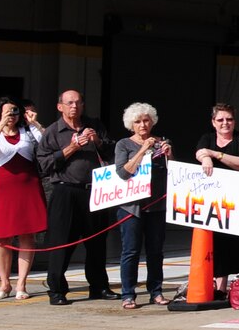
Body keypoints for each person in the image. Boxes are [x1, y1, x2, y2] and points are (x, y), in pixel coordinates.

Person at [34, 89, 112, 304]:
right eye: (69, 103)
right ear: (60, 107)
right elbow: (44, 164)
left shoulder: (94, 125)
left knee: (97, 241)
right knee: (62, 243)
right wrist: (71, 147)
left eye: (78, 103)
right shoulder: (52, 132)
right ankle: (57, 291)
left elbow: (111, 153)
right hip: (65, 191)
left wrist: (97, 141)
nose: (74, 107)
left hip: (94, 191)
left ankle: (99, 286)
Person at [0, 99, 44, 300]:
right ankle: (4, 283)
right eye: (7, 112)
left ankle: (21, 284)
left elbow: (48, 142)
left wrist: (34, 123)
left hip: (28, 186)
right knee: (2, 237)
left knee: (27, 236)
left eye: (15, 112)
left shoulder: (28, 133)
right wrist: (1, 124)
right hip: (3, 188)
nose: (12, 116)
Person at [112, 103, 174, 307]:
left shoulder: (161, 141)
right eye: (138, 121)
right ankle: (128, 293)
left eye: (146, 120)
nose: (142, 125)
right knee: (130, 251)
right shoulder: (123, 144)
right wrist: (143, 150)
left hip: (156, 205)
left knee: (156, 251)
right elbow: (123, 172)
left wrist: (169, 155)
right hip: (131, 207)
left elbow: (173, 171)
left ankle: (156, 291)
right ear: (131, 124)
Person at [195, 104, 239, 289]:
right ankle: (220, 288)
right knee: (218, 243)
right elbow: (199, 152)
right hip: (215, 203)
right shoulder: (207, 137)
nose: (225, 123)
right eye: (220, 120)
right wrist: (205, 158)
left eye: (229, 119)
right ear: (213, 122)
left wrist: (215, 154)